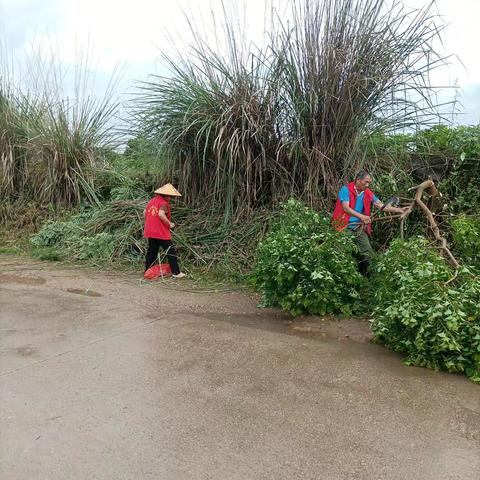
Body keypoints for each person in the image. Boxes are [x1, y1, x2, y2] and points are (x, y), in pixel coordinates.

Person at [332, 171, 410, 276]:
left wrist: (400, 210)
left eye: (369, 182)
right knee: (343, 251)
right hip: (344, 225)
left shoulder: (367, 192)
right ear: (358, 180)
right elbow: (346, 208)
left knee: (368, 252)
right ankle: (340, 276)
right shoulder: (345, 189)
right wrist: (362, 217)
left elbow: (381, 205)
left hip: (358, 227)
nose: (368, 185)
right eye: (366, 182)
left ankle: (367, 277)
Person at [144, 183, 186, 278]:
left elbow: (144, 213)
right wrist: (170, 224)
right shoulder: (163, 203)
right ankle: (176, 272)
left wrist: (149, 223)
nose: (170, 198)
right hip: (160, 232)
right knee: (171, 251)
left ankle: (147, 271)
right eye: (170, 196)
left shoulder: (151, 201)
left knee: (152, 252)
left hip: (150, 231)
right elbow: (161, 214)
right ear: (166, 195)